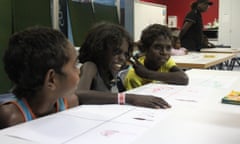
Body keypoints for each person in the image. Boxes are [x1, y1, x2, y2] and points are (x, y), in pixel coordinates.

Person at [76, 22, 171, 109]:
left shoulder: (108, 72)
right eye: (116, 52)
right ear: (100, 50)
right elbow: (80, 94)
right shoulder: (90, 66)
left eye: (125, 54)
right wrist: (128, 98)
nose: (122, 58)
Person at [0, 27, 80, 129]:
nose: (79, 70)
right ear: (52, 79)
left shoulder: (71, 103)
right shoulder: (10, 118)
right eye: (75, 65)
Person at [124, 24, 189, 90]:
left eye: (168, 48)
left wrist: (147, 74)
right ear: (145, 49)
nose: (164, 52)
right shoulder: (133, 76)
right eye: (158, 47)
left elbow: (184, 78)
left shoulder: (165, 61)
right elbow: (136, 99)